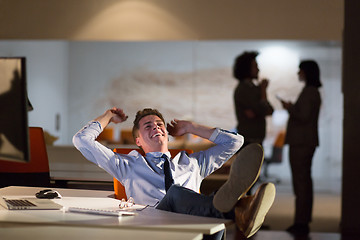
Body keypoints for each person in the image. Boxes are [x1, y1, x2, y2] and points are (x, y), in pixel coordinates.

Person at [73, 107, 276, 238]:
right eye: (148, 126)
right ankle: (239, 209)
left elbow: (236, 142)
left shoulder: (193, 163)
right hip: (153, 228)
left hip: (195, 228)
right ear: (138, 141)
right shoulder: (126, 165)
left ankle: (236, 209)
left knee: (216, 226)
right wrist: (108, 116)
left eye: (160, 124)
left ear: (167, 135)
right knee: (176, 193)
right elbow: (82, 140)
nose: (157, 128)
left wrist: (191, 127)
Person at [279, 60, 322, 236]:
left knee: (301, 183)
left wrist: (290, 108)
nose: (298, 73)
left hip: (301, 142)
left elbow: (303, 116)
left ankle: (301, 222)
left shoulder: (309, 92)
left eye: (300, 71)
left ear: (306, 72)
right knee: (304, 182)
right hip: (305, 141)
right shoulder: (312, 92)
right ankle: (302, 220)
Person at [233, 51, 274, 147]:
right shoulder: (243, 89)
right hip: (248, 140)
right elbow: (264, 110)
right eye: (255, 66)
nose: (258, 70)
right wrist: (263, 91)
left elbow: (270, 111)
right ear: (246, 69)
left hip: (256, 139)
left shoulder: (254, 88)